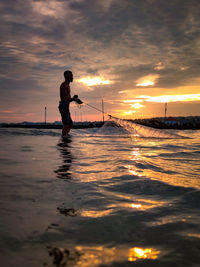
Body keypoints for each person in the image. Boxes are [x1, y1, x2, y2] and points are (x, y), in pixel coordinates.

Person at [58, 70, 74, 136]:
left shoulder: (68, 86)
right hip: (63, 106)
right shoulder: (63, 85)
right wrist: (73, 99)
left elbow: (68, 98)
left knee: (70, 124)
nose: (72, 77)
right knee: (66, 124)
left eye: (72, 76)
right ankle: (64, 138)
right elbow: (64, 98)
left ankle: (65, 135)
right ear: (66, 76)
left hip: (66, 107)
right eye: (71, 76)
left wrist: (74, 98)